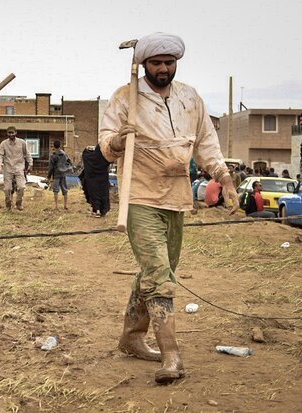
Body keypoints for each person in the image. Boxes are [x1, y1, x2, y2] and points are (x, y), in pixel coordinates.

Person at [98, 32, 238, 384]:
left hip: (177, 197)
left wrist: (225, 177)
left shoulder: (190, 97)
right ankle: (171, 356)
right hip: (140, 195)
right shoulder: (125, 96)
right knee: (160, 277)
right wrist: (117, 139)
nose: (163, 68)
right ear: (143, 64)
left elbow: (207, 143)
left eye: (168, 62)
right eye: (156, 63)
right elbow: (104, 146)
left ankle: (131, 336)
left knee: (159, 269)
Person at [0, 126, 33, 211]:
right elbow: (0, 155)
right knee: (7, 189)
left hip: (19, 168)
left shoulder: (22, 143)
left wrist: (30, 164)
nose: (11, 134)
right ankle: (8, 205)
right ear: (7, 133)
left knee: (21, 187)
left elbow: (27, 154)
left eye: (12, 133)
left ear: (16, 133)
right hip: (8, 168)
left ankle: (19, 203)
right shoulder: (3, 144)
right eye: (9, 133)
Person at [79, 145, 111, 217]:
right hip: (103, 180)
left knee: (94, 195)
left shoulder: (89, 157)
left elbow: (85, 153)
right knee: (103, 194)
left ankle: (97, 210)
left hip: (92, 179)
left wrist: (87, 148)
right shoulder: (103, 158)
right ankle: (102, 210)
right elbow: (109, 160)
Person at [47, 140, 71, 211]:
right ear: (60, 146)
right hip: (63, 174)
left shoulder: (53, 156)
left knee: (56, 190)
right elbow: (69, 162)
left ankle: (56, 206)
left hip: (56, 175)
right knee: (65, 190)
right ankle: (65, 205)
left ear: (53, 146)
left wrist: (49, 177)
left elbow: (51, 168)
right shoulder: (64, 154)